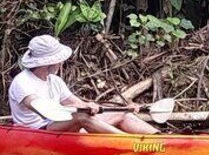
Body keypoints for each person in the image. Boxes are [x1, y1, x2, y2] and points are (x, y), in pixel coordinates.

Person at [8, 35, 157, 134]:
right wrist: (79, 110)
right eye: (59, 60)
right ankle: (131, 144)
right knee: (80, 116)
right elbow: (44, 110)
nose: (61, 63)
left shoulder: (55, 81)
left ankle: (161, 139)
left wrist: (88, 106)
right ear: (49, 62)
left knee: (121, 112)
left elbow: (75, 102)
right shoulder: (22, 82)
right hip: (38, 131)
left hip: (58, 125)